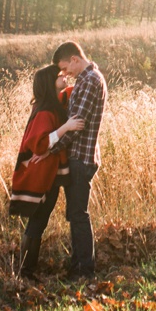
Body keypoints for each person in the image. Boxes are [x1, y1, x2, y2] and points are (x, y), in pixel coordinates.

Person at [9, 64, 82, 278]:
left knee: (39, 220)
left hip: (46, 174)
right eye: (60, 76)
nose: (64, 77)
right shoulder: (44, 112)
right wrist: (66, 127)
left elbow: (72, 92)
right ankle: (26, 271)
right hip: (41, 176)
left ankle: (26, 269)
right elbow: (40, 144)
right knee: (38, 221)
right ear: (50, 83)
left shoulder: (51, 104)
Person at [46, 40, 107, 278]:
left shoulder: (91, 80)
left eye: (65, 68)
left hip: (82, 157)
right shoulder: (84, 79)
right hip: (79, 156)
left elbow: (76, 125)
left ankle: (84, 270)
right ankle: (77, 266)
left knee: (79, 214)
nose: (65, 74)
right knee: (74, 213)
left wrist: (48, 149)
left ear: (74, 59)